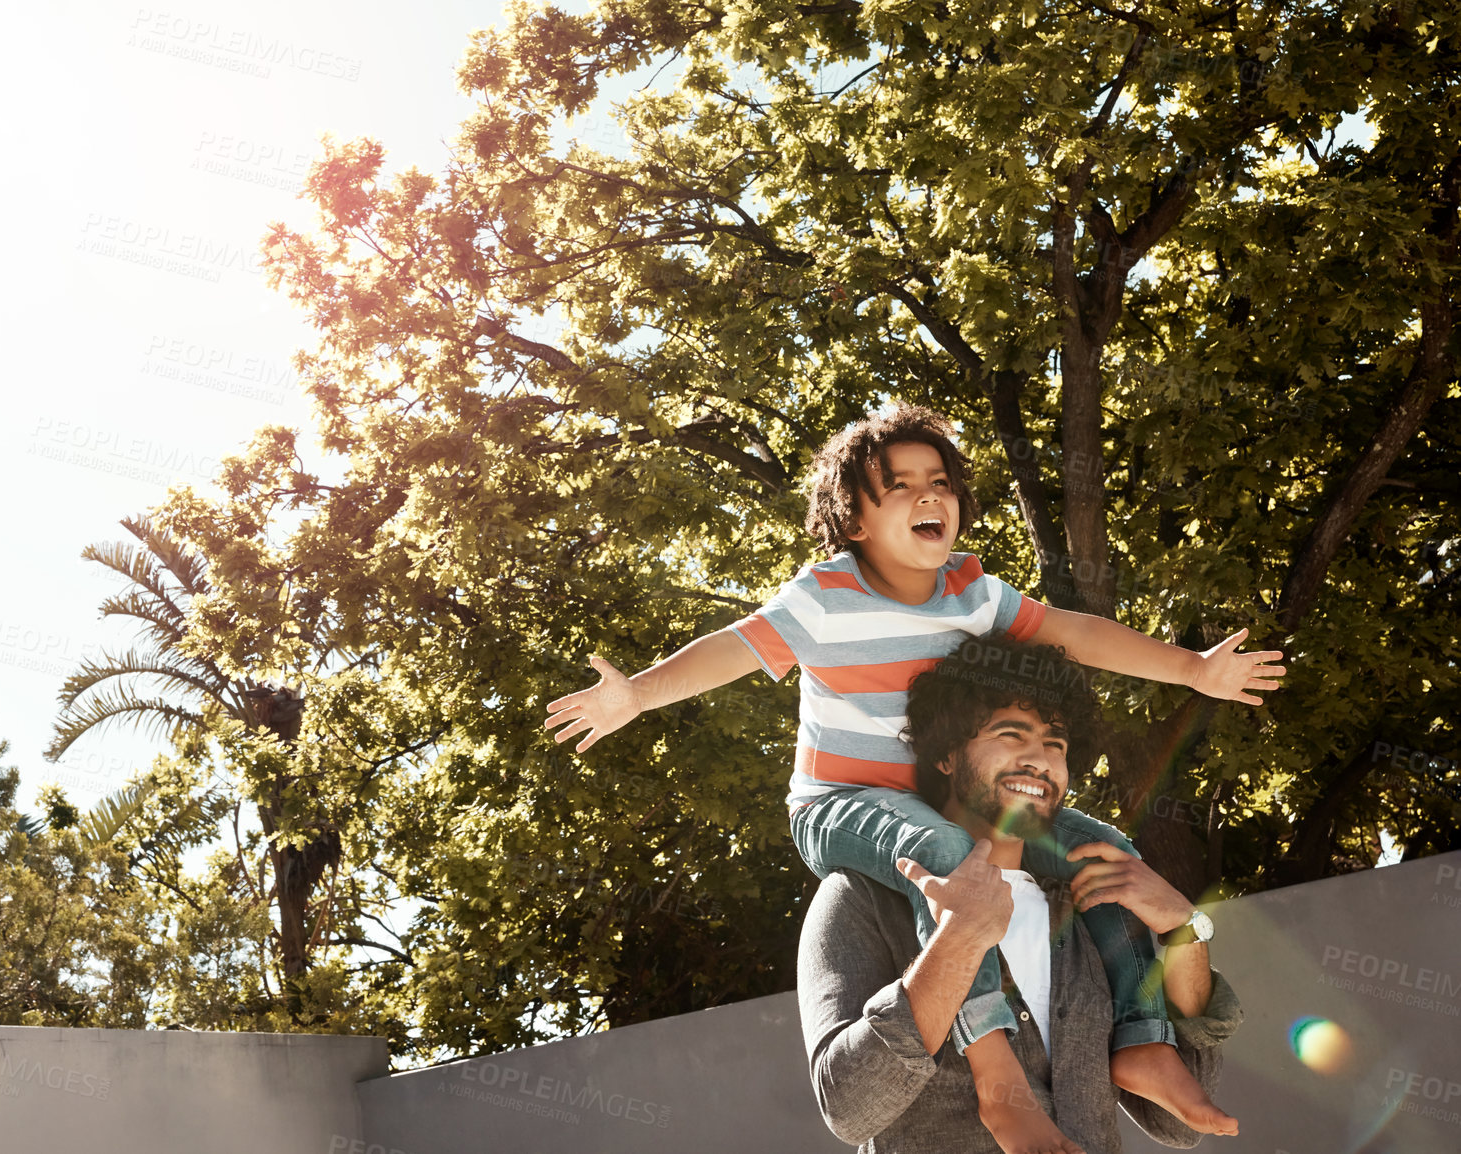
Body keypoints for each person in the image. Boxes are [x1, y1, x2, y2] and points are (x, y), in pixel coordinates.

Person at [545, 406, 1273, 1153]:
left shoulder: (972, 594)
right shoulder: (826, 596)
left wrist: (1195, 671)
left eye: (942, 482)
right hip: (842, 806)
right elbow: (733, 648)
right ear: (852, 520)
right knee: (953, 861)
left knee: (1111, 856)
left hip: (931, 812)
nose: (930, 496)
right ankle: (997, 1077)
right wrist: (636, 693)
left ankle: (1144, 1042)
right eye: (900, 486)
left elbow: (1073, 631)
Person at [797, 635, 1242, 1153]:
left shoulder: (1090, 906)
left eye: (1056, 744)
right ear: (945, 755)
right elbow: (849, 1108)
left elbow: (1182, 1126)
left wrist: (1186, 929)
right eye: (1012, 735)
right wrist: (957, 942)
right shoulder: (859, 899)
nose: (1040, 760)